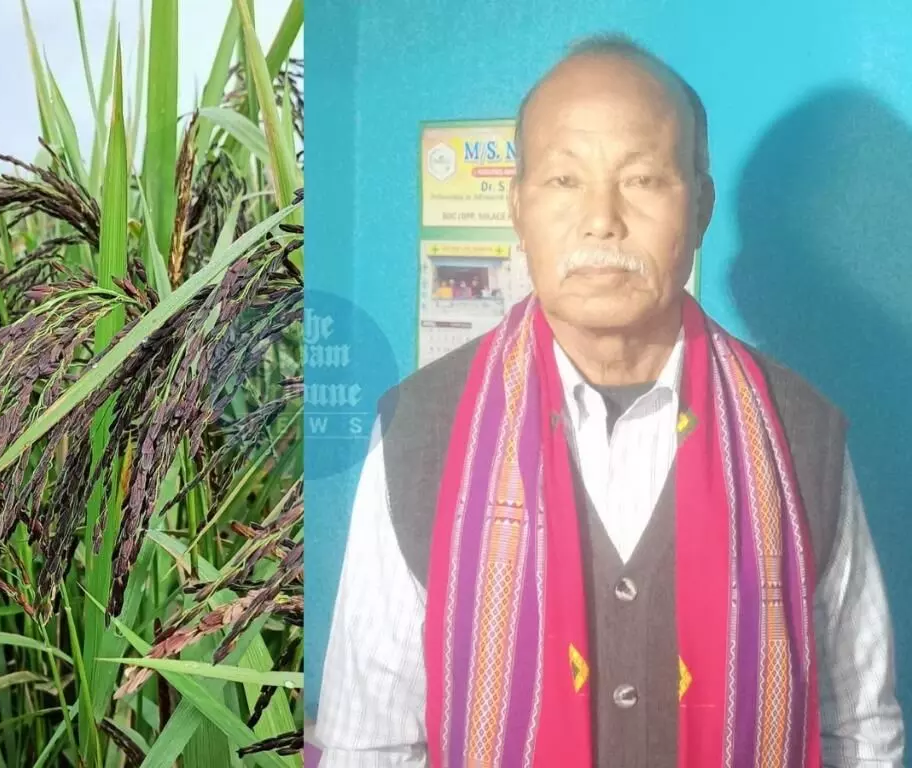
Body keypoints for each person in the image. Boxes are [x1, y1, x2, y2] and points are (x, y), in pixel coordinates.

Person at [315, 34, 904, 768]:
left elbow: (859, 731)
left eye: (643, 179)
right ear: (518, 207)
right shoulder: (418, 433)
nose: (602, 220)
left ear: (700, 207)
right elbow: (365, 743)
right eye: (564, 181)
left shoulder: (802, 435)